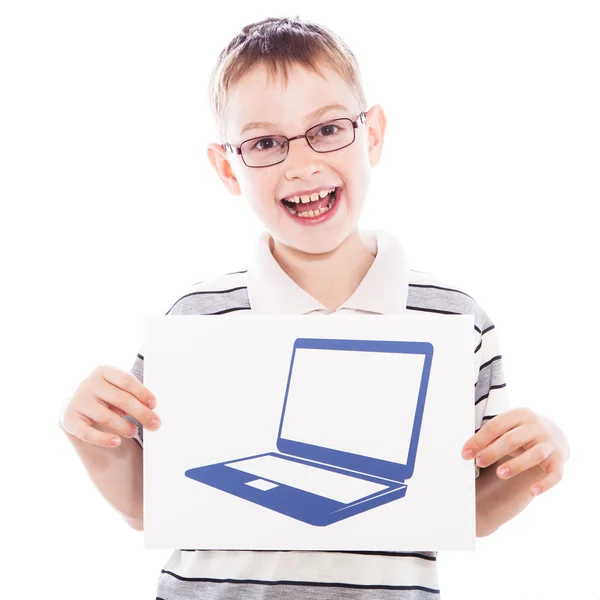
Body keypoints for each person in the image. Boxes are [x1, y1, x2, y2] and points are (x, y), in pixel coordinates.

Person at [59, 16, 570, 599]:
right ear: (228, 167)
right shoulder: (194, 320)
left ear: (372, 134)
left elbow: (465, 512)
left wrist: (542, 451)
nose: (301, 165)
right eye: (264, 143)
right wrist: (90, 434)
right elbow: (150, 508)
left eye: (327, 130)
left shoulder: (455, 319)